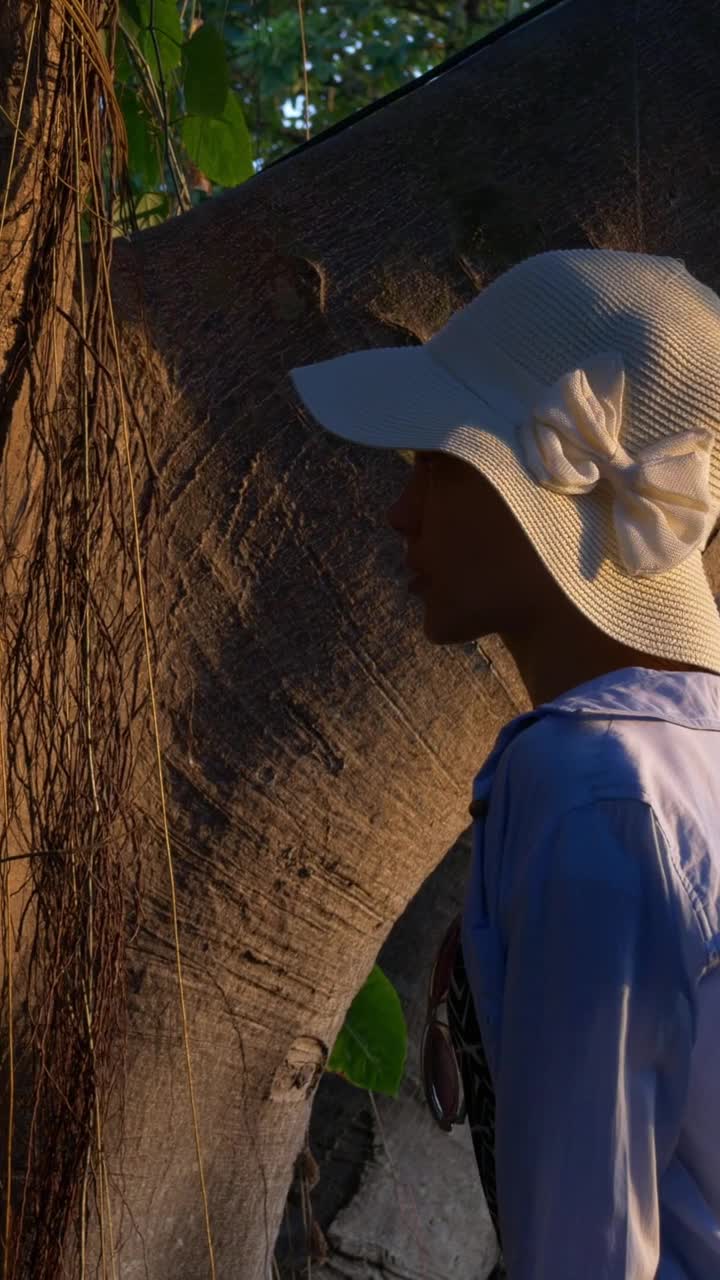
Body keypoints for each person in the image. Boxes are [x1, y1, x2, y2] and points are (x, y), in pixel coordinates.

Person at [289, 249, 720, 1279]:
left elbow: (586, 1249)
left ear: (547, 485)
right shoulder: (684, 757)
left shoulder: (590, 783)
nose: (403, 511)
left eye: (436, 460)